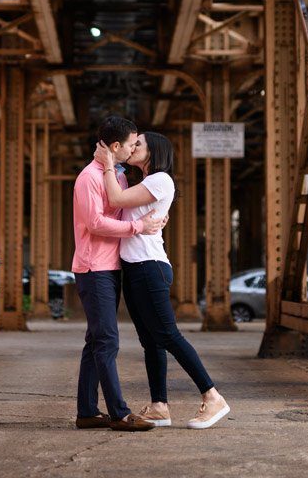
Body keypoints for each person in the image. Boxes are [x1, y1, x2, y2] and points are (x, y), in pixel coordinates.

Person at [94, 131, 231, 430]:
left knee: (168, 335)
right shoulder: (142, 182)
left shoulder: (160, 180)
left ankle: (212, 395)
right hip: (134, 267)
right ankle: (159, 406)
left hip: (150, 266)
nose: (132, 148)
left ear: (154, 152)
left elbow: (115, 199)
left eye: (138, 144)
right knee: (150, 341)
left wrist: (106, 162)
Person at [72, 115, 168, 432]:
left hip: (111, 267)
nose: (133, 148)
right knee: (108, 341)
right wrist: (138, 226)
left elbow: (124, 207)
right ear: (116, 146)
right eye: (130, 144)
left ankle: (87, 412)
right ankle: (119, 413)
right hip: (93, 268)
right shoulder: (89, 178)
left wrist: (151, 222)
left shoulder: (119, 177)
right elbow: (96, 223)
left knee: (95, 341)